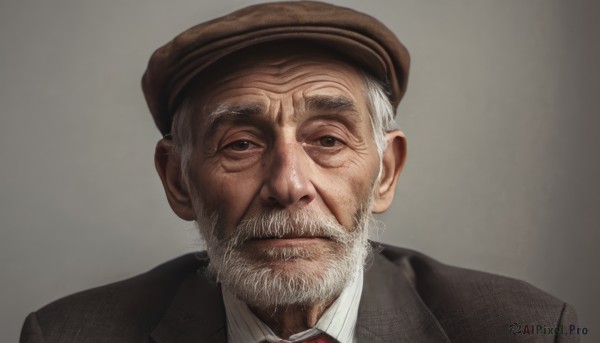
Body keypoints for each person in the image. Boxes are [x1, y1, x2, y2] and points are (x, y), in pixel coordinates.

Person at [20, 2, 578, 342]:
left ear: (386, 173)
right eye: (240, 143)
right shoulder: (67, 335)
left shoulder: (522, 331)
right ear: (178, 180)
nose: (289, 184)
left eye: (328, 140)